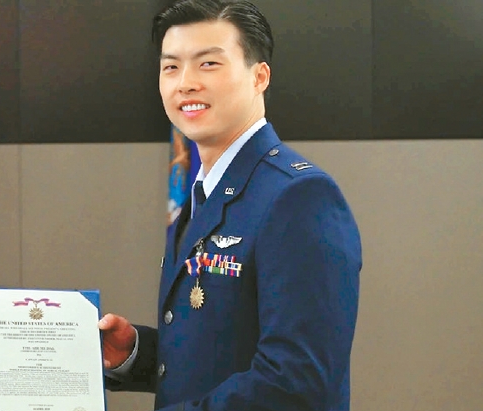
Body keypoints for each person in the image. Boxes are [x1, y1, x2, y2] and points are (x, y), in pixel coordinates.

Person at [98, 1, 361, 410]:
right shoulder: (203, 191)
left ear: (260, 77)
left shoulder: (299, 197)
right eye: (171, 67)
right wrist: (135, 353)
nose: (185, 83)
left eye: (208, 65)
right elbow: (217, 350)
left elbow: (297, 381)